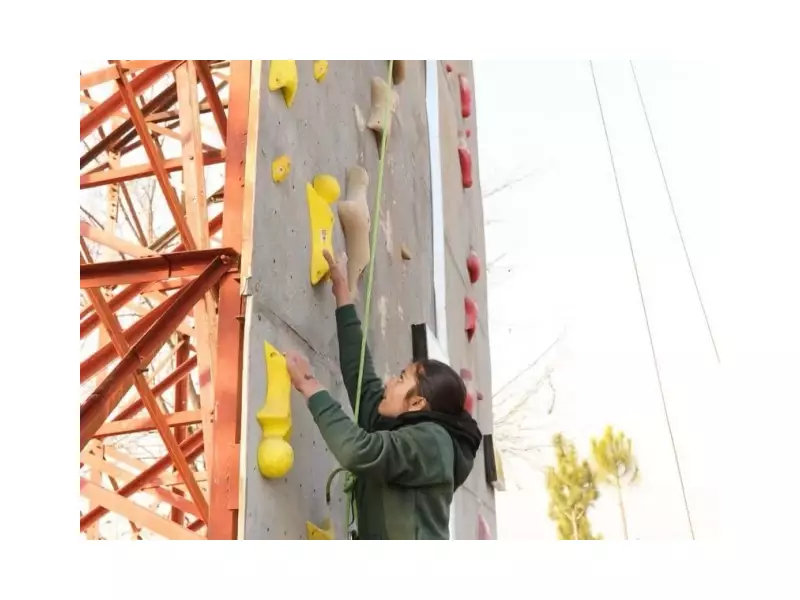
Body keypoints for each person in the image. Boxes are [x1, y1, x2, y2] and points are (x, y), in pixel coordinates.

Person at [285, 250, 482, 540]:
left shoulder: (433, 442)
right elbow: (364, 384)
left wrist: (310, 386)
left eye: (401, 379)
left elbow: (357, 451)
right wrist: (343, 296)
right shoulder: (408, 429)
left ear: (417, 402)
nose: (389, 382)